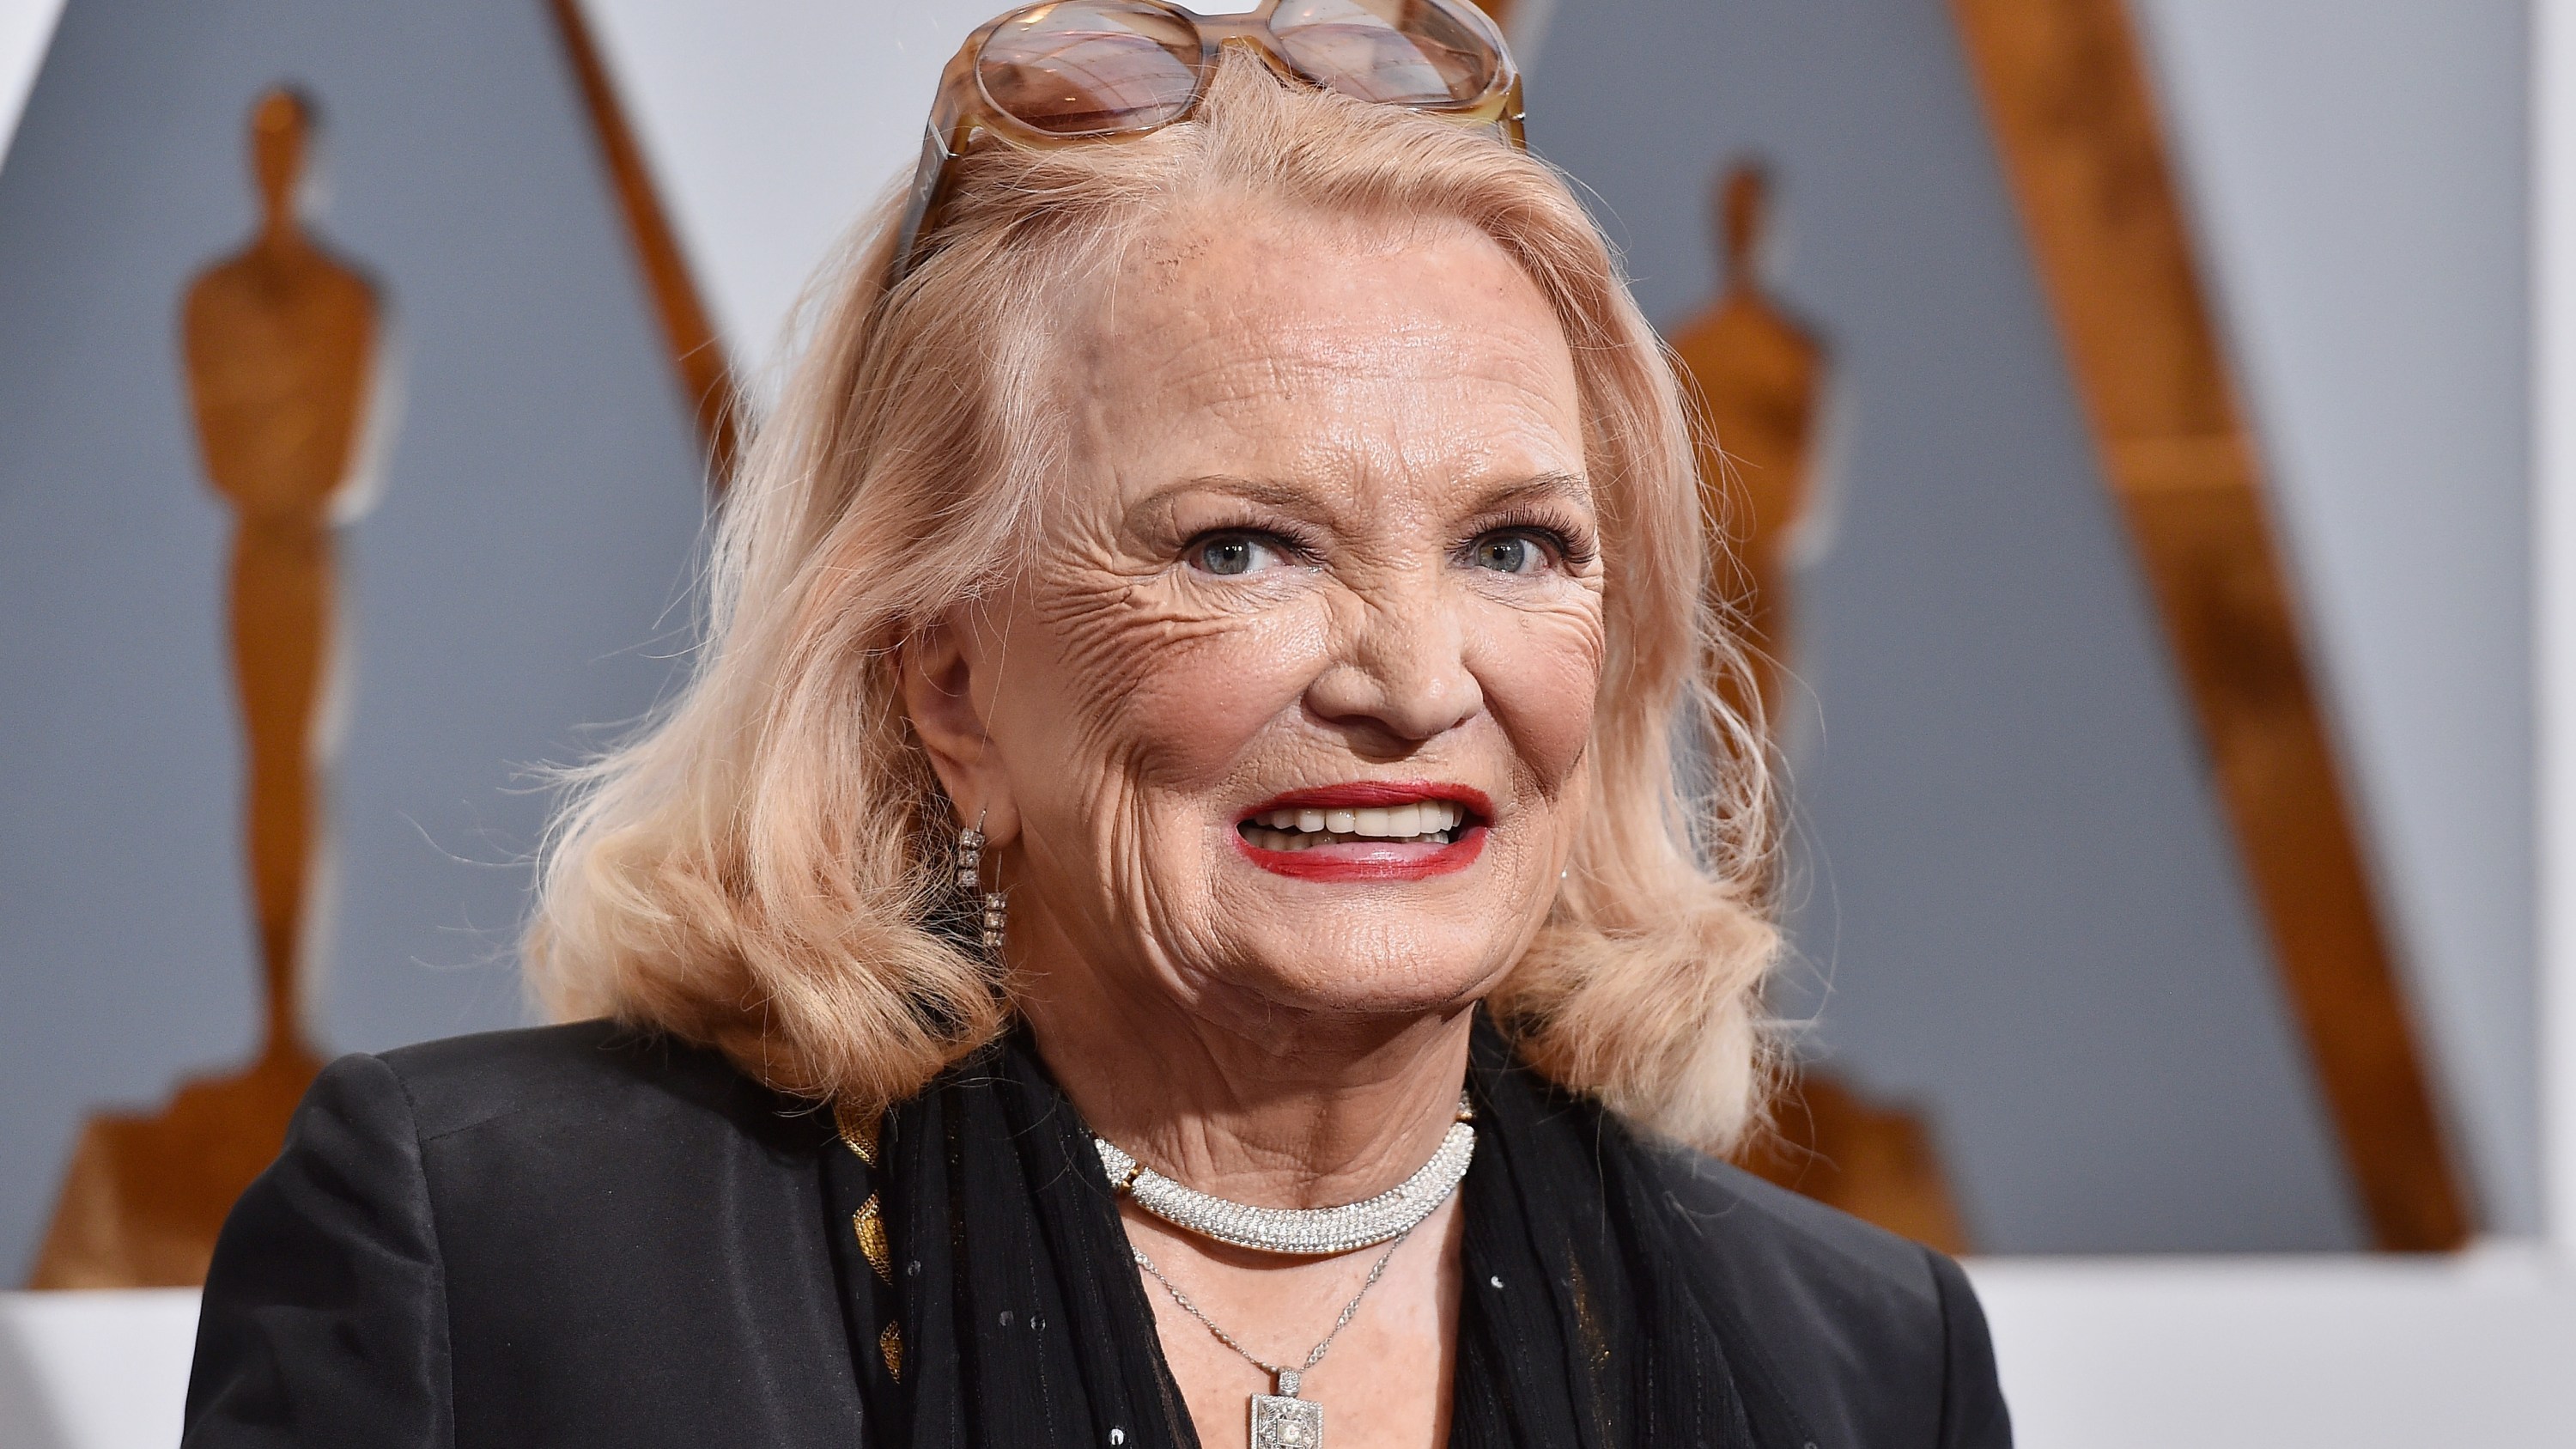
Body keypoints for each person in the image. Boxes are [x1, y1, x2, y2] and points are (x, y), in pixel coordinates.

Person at [182, 3, 2009, 1446]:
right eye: (1241, 546)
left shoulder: (1859, 1366)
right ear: (946, 677)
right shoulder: (496, 1258)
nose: (1412, 676)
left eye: (1516, 543)